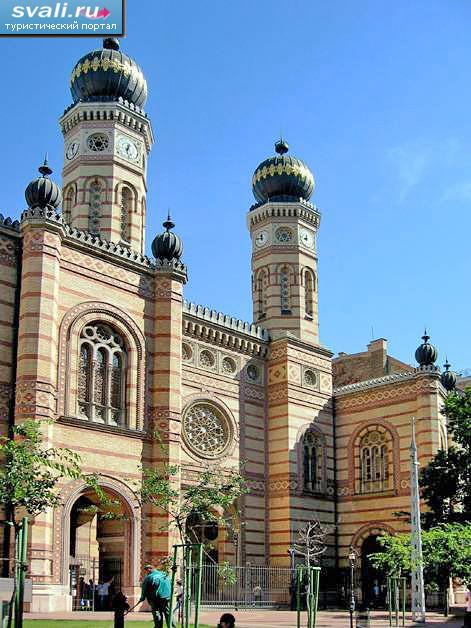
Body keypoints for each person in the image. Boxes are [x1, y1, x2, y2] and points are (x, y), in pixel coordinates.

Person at [139, 563, 171, 628]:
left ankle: (158, 626)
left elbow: (144, 588)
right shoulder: (164, 574)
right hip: (166, 597)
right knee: (167, 612)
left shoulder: (149, 577)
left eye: (146, 570)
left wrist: (142, 598)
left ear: (150, 569)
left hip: (154, 599)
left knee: (157, 613)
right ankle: (171, 626)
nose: (146, 572)